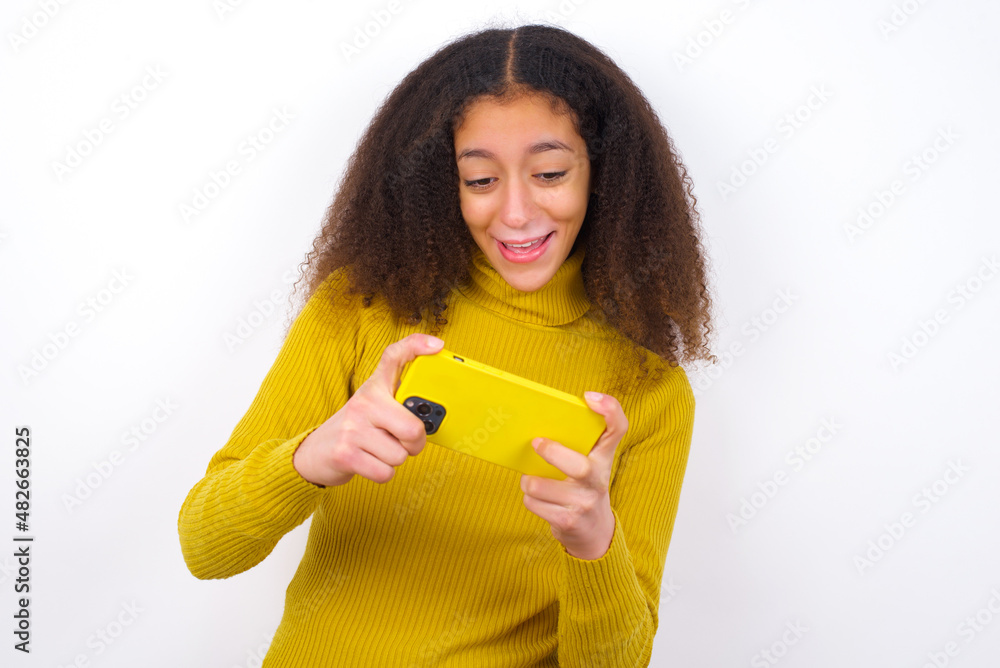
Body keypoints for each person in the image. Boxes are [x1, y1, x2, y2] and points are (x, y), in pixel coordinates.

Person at [178, 21, 715, 667]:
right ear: (443, 184)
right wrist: (310, 458)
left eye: (549, 173)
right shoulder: (362, 308)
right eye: (481, 180)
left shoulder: (650, 390)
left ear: (603, 176)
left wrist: (593, 545)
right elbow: (205, 548)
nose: (515, 213)